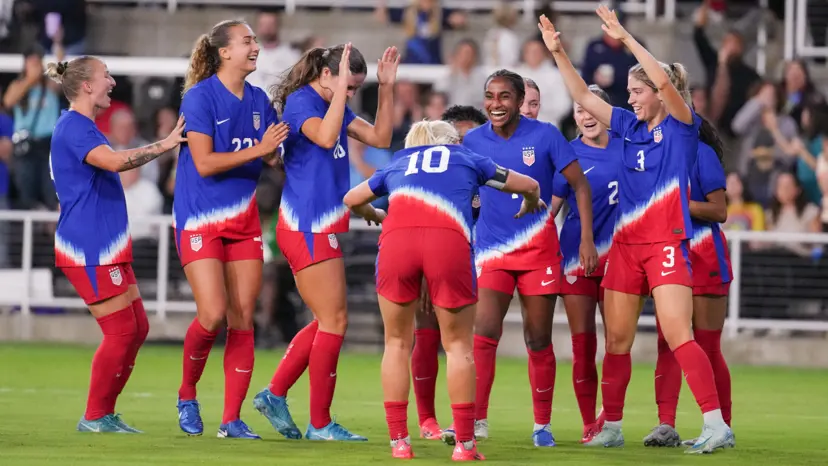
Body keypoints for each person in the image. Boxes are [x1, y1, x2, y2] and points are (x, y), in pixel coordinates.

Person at [539, 8, 734, 453]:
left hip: (666, 244)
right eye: (628, 92)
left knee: (678, 334)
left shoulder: (682, 127)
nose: (630, 99)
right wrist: (559, 53)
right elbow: (584, 99)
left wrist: (626, 38)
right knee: (618, 341)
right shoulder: (628, 127)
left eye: (636, 91)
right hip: (627, 247)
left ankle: (714, 423)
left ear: (659, 93)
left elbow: (664, 83)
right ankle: (613, 426)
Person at [343, 119, 546, 460]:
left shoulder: (398, 162)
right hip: (447, 240)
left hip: (397, 243)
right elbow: (528, 183)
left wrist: (374, 213)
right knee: (457, 346)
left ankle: (399, 443)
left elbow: (352, 198)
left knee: (395, 343)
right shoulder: (467, 157)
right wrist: (530, 199)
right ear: (451, 141)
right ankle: (465, 444)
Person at [253, 43, 399, 442]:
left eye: (355, 89)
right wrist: (338, 98)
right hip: (306, 225)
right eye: (348, 86)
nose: (351, 94)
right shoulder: (303, 104)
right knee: (335, 322)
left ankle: (275, 394)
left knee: (326, 322)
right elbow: (324, 137)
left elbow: (382, 138)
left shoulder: (335, 104)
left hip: (322, 224)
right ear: (326, 76)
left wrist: (386, 88)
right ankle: (319, 422)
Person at [46, 56, 185, 433]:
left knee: (136, 327)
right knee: (122, 331)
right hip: (87, 246)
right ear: (87, 86)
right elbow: (116, 163)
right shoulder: (75, 127)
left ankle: (103, 414)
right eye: (105, 75)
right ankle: (95, 415)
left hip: (105, 243)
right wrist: (166, 143)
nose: (111, 82)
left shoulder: (84, 126)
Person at [461, 69, 598, 446]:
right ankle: (476, 420)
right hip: (492, 251)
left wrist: (586, 239)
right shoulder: (472, 140)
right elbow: (462, 193)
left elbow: (580, 185)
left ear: (521, 101)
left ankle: (542, 425)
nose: (495, 104)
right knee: (484, 331)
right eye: (490, 96)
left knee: (538, 339)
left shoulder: (546, 136)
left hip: (538, 252)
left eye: (504, 97)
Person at [174, 19, 290, 440]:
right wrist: (260, 150)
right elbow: (204, 162)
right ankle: (187, 394)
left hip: (242, 222)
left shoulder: (259, 100)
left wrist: (276, 155)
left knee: (243, 319)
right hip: (199, 218)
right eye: (247, 41)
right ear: (224, 52)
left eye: (255, 41)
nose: (255, 47)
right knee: (212, 314)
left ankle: (230, 419)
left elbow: (270, 156)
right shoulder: (200, 98)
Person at [645, 139, 733, 448]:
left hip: (703, 253)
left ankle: (722, 427)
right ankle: (666, 424)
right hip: (668, 255)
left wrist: (675, 204)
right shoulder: (651, 153)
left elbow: (720, 210)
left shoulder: (701, 153)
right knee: (668, 342)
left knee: (707, 346)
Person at [550, 84, 623, 443]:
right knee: (584, 344)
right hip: (575, 260)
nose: (587, 116)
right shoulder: (568, 155)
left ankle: (610, 419)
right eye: (579, 110)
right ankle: (587, 423)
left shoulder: (629, 150)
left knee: (616, 342)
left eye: (592, 109)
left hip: (620, 260)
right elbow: (550, 211)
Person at [412, 105, 487, 441]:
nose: (460, 147)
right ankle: (427, 419)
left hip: (487, 254)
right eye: (455, 139)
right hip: (443, 254)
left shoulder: (485, 169)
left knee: (476, 340)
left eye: (466, 140)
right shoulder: (430, 174)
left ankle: (475, 421)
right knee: (428, 333)